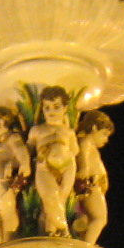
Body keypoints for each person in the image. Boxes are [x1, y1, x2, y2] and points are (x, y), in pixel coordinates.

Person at [26, 86, 78, 237]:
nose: (51, 112)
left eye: (56, 107)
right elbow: (29, 150)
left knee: (59, 200)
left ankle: (50, 232)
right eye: (47, 108)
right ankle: (64, 230)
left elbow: (75, 151)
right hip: (44, 167)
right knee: (50, 196)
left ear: (65, 108)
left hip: (68, 167)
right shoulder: (37, 130)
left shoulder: (68, 132)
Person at [0, 108, 30, 242]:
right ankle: (1, 244)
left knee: (6, 210)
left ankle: (11, 240)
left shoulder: (13, 138)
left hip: (2, 180)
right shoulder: (4, 143)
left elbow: (21, 151)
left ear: (2, 123)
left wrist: (24, 164)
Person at [71, 109, 113, 243]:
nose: (106, 140)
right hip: (91, 186)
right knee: (100, 218)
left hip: (94, 186)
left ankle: (85, 240)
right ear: (94, 128)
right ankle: (88, 245)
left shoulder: (90, 145)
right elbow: (83, 155)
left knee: (89, 219)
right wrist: (84, 168)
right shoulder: (85, 142)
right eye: (104, 134)